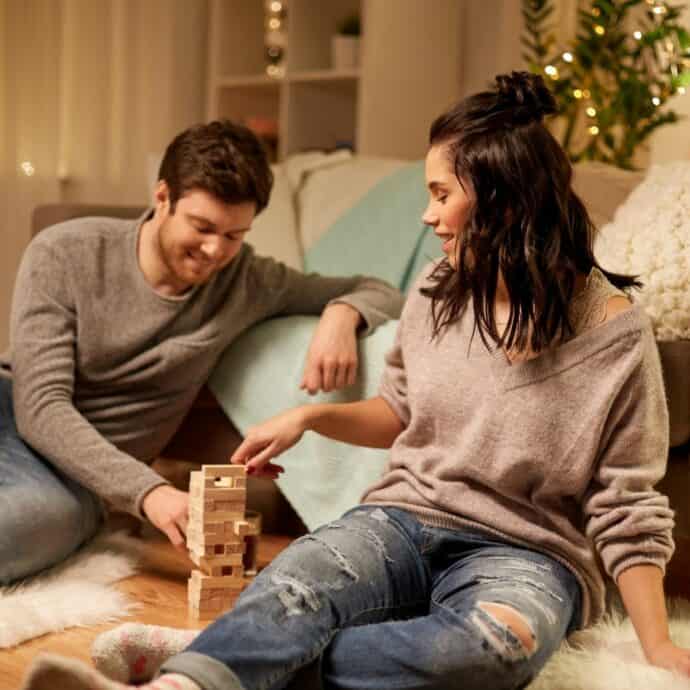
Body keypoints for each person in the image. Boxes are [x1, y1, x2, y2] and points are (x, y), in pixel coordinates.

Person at [20, 72, 688, 690]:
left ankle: (235, 659)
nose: (428, 216)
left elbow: (626, 505)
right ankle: (194, 679)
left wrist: (657, 648)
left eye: (440, 194)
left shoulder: (612, 332)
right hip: (402, 519)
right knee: (294, 586)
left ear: (501, 197)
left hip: (528, 555)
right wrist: (308, 419)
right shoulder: (439, 289)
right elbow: (400, 411)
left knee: (490, 652)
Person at [0, 119, 403, 585]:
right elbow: (40, 408)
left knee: (29, 527)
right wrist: (150, 493)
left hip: (78, 483)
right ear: (162, 197)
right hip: (13, 416)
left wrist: (342, 315)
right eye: (202, 227)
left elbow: (376, 288)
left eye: (235, 235)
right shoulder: (65, 253)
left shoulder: (248, 281)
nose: (215, 251)